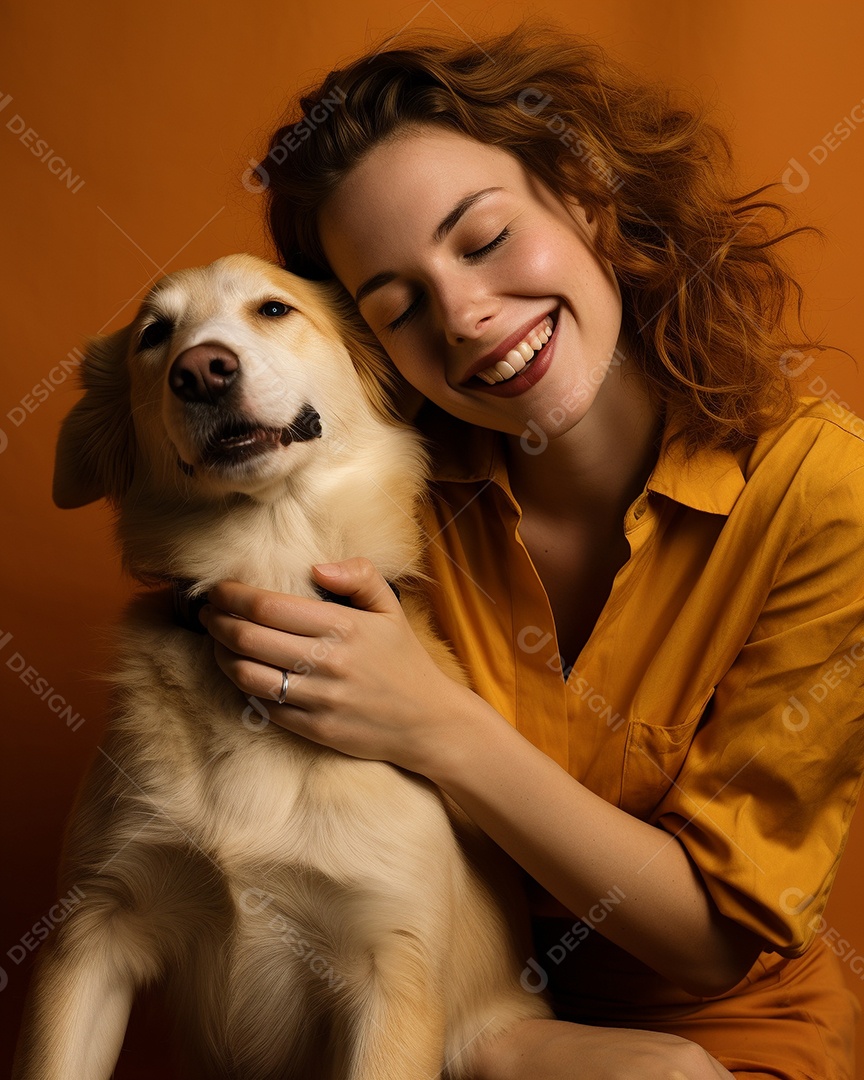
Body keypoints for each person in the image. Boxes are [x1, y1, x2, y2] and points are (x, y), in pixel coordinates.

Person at [199, 23, 864, 1080]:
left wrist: (434, 722)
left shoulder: (825, 494)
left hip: (726, 1038)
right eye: (399, 304)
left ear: (587, 199)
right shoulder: (371, 487)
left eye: (484, 239)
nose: (463, 316)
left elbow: (712, 939)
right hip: (437, 1011)